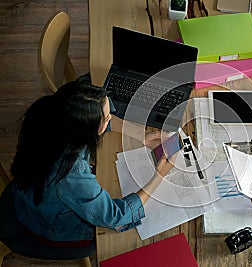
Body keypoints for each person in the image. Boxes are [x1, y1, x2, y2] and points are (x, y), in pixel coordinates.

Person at [6, 81, 173, 256]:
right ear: (87, 129)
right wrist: (159, 175)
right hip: (53, 226)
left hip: (34, 192)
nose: (110, 119)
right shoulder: (71, 172)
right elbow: (115, 217)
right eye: (106, 118)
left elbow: (103, 123)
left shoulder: (54, 112)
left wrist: (143, 135)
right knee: (125, 241)